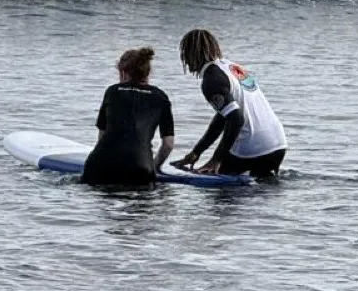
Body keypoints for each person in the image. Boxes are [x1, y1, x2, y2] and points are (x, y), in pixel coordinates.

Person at [176, 28, 286, 177]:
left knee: (214, 191)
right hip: (278, 144)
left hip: (253, 147)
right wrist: (197, 152)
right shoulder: (232, 68)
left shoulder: (211, 80)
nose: (185, 62)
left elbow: (236, 118)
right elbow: (224, 116)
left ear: (191, 54)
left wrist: (216, 160)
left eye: (185, 55)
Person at [82, 46, 174, 187]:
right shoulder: (161, 97)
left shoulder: (112, 91)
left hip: (100, 166)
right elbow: (168, 145)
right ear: (147, 73)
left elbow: (102, 136)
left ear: (123, 73)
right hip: (140, 169)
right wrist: (153, 166)